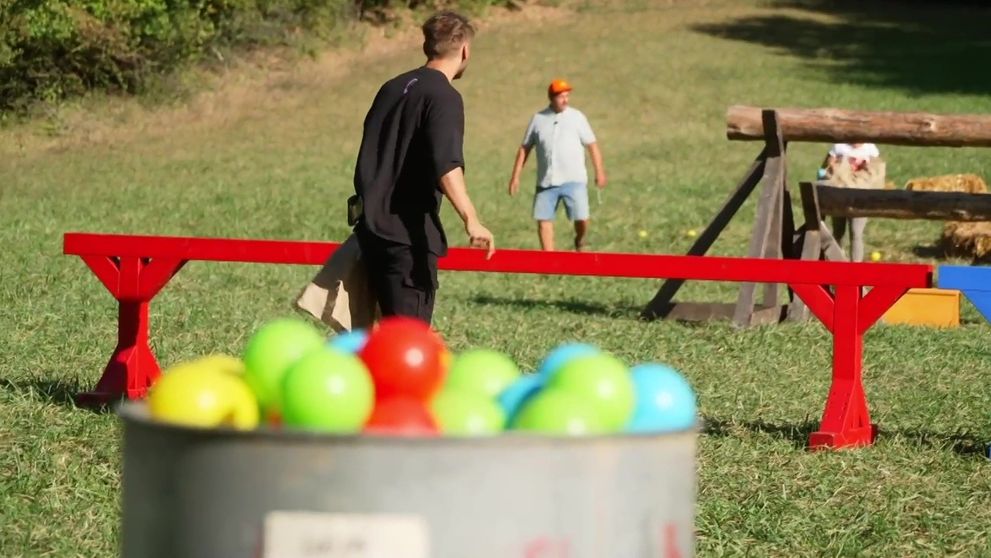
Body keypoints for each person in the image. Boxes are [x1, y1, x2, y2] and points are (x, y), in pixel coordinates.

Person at [351, 10, 494, 325]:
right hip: (408, 238)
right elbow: (446, 163)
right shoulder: (443, 96)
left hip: (371, 232)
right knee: (407, 342)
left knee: (376, 339)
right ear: (465, 50)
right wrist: (472, 219)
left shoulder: (391, 88)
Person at [508, 79, 606, 252]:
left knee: (582, 217)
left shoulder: (577, 117)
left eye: (567, 96)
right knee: (544, 220)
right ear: (551, 98)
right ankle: (549, 260)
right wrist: (515, 177)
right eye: (561, 96)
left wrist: (599, 171)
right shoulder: (538, 119)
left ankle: (580, 240)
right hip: (546, 181)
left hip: (574, 179)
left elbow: (592, 145)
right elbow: (525, 148)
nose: (565, 100)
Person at [817, 142, 883, 262]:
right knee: (838, 232)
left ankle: (855, 268)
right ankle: (836, 262)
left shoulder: (871, 148)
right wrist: (835, 164)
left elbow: (877, 169)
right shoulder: (839, 146)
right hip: (839, 195)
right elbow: (826, 167)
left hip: (860, 198)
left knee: (856, 234)